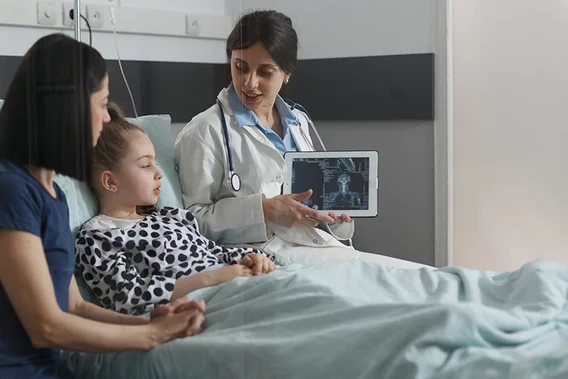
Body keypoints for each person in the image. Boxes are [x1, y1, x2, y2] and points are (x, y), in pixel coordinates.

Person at [0, 34, 204, 379]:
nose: (107, 119)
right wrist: (150, 335)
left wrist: (149, 321)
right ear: (69, 108)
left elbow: (75, 306)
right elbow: (45, 326)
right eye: (101, 103)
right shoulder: (10, 190)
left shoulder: (52, 195)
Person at [174, 10, 355, 256]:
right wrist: (264, 210)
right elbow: (191, 221)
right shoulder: (205, 131)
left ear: (287, 73)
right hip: (259, 256)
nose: (249, 82)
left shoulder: (298, 122)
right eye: (240, 67)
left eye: (265, 72)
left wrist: (336, 218)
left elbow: (315, 206)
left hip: (315, 246)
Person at [75, 103, 276, 315]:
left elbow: (216, 251)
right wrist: (213, 278)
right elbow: (127, 298)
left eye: (156, 163)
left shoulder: (169, 217)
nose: (159, 173)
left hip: (237, 281)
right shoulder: (98, 237)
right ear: (110, 181)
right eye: (145, 165)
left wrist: (252, 257)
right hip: (204, 302)